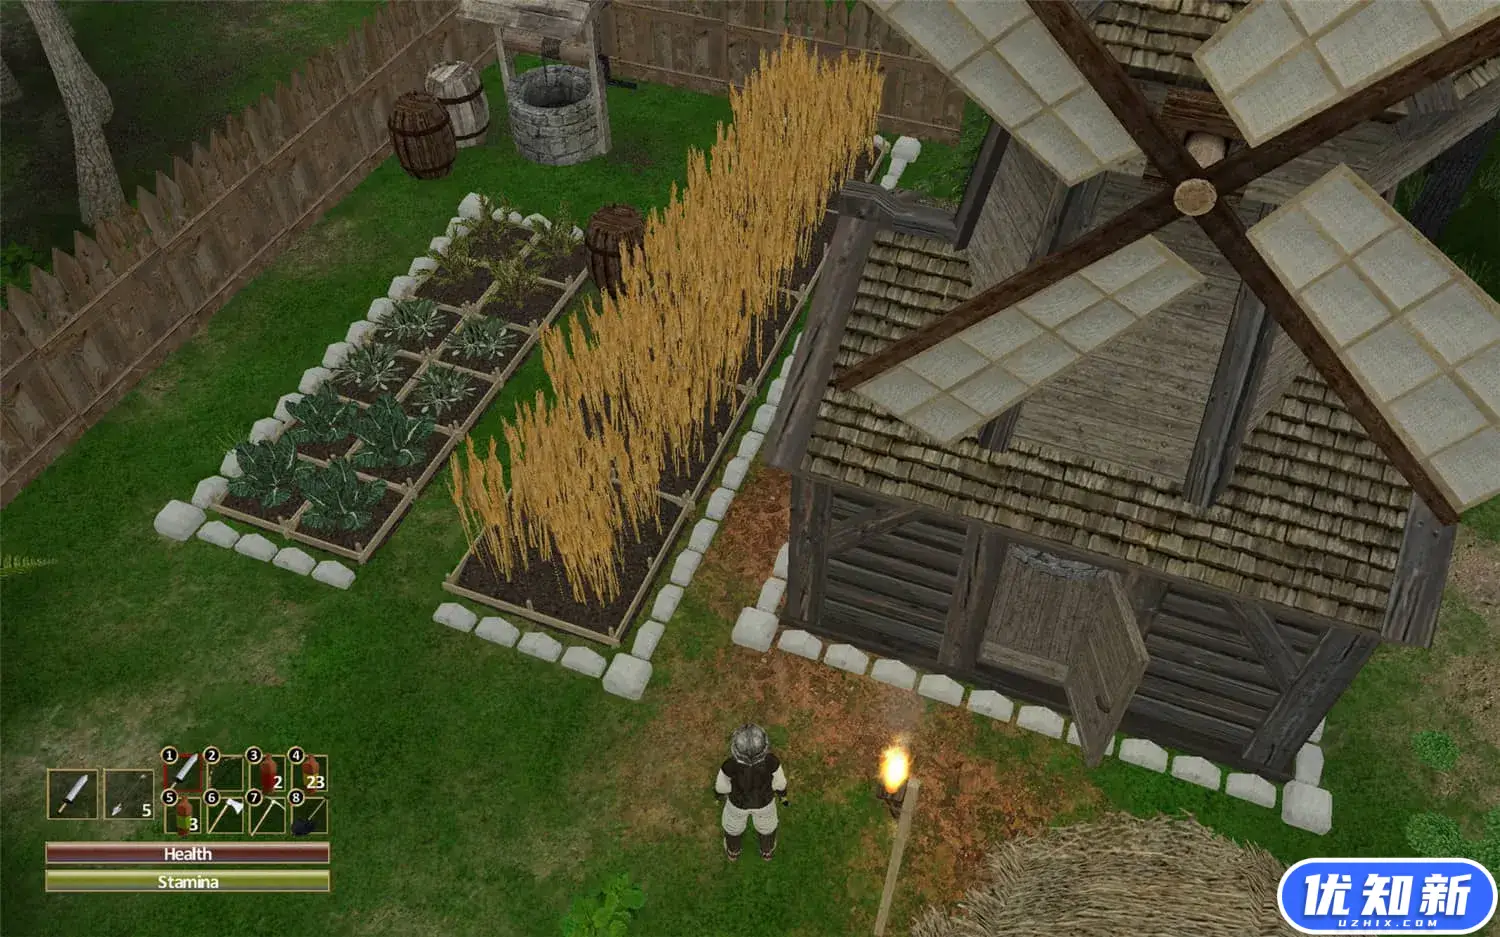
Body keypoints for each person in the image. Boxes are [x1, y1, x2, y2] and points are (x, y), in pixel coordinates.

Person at [714, 723, 788, 861]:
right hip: (764, 803)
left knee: (733, 829)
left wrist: (718, 797)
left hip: (737, 805)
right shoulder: (772, 761)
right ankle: (767, 851)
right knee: (767, 828)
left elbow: (721, 787)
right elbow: (780, 784)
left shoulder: (729, 765)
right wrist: (783, 797)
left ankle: (733, 852)